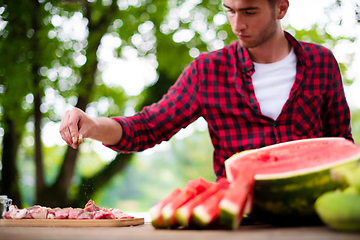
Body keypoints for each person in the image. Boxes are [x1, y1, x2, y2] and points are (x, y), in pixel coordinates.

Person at [59, 0, 353, 179]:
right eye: (230, 11)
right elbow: (148, 127)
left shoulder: (321, 62)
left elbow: (342, 145)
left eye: (250, 12)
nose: (238, 24)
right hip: (236, 216)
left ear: (281, 7)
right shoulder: (208, 71)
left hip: (312, 214)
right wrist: (93, 125)